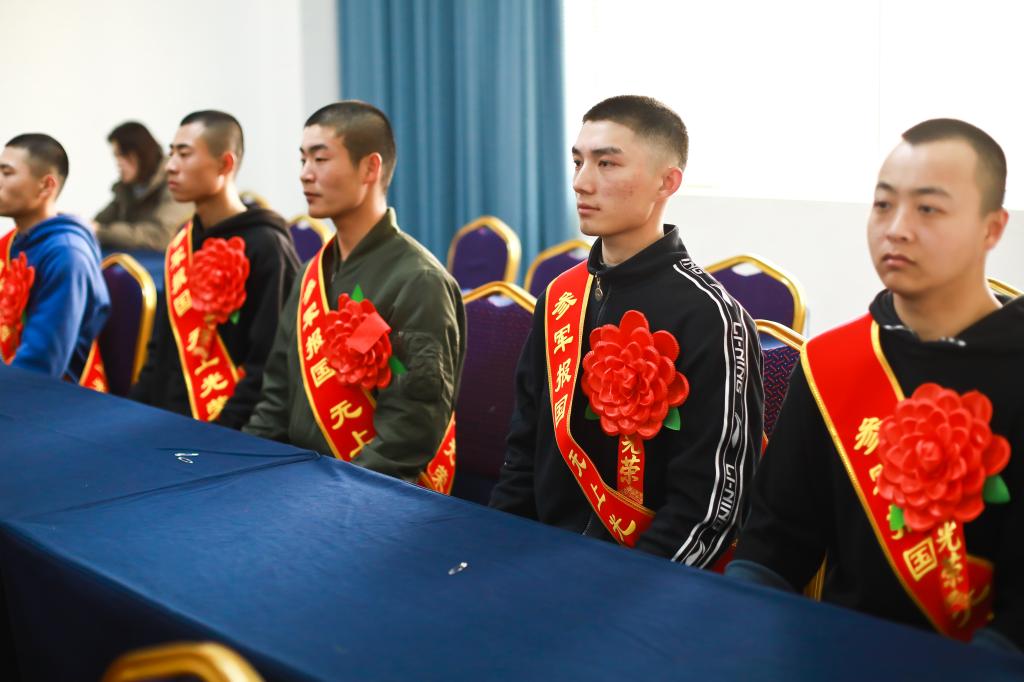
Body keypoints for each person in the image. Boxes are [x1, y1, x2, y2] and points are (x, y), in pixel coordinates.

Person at [728, 119, 1023, 652]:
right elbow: (774, 543)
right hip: (840, 651)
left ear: (992, 228)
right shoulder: (831, 362)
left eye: (928, 208)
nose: (897, 228)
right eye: (884, 204)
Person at [489, 95, 763, 563]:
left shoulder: (711, 317)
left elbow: (712, 505)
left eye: (607, 164)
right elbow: (523, 456)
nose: (581, 182)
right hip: (542, 557)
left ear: (667, 182)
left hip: (645, 571)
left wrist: (631, 584)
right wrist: (494, 548)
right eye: (578, 162)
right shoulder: (560, 297)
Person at [245, 101, 465, 493]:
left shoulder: (419, 281)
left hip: (369, 493)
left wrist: (331, 493)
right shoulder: (311, 274)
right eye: (302, 159)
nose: (305, 174)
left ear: (370, 168)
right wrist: (247, 467)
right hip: (295, 480)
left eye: (320, 159)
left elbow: (409, 432)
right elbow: (276, 397)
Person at [129, 111, 300, 429]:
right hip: (169, 420)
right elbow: (160, 352)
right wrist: (134, 412)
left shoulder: (266, 246)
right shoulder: (183, 241)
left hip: (230, 429)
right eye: (171, 153)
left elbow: (269, 364)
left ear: (225, 164)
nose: (170, 166)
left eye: (184, 154)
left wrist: (223, 430)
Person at [0, 133, 109, 380]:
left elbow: (40, 364)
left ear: (46, 186)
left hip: (50, 395)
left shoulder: (68, 256)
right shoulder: (14, 242)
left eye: (7, 173)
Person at [93, 121, 192, 251]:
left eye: (121, 156)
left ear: (138, 155)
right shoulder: (128, 188)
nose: (118, 163)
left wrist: (101, 232)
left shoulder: (176, 182)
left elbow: (160, 236)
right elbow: (99, 222)